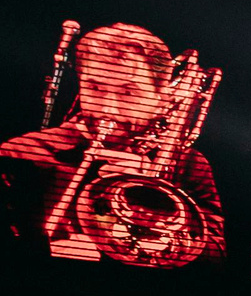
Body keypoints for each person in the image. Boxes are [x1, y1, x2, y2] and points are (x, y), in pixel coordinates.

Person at [2, 21, 227, 267]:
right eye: (95, 88)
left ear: (161, 99)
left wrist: (148, 197)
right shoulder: (24, 152)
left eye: (128, 93)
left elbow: (215, 257)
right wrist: (44, 249)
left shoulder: (190, 164)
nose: (108, 109)